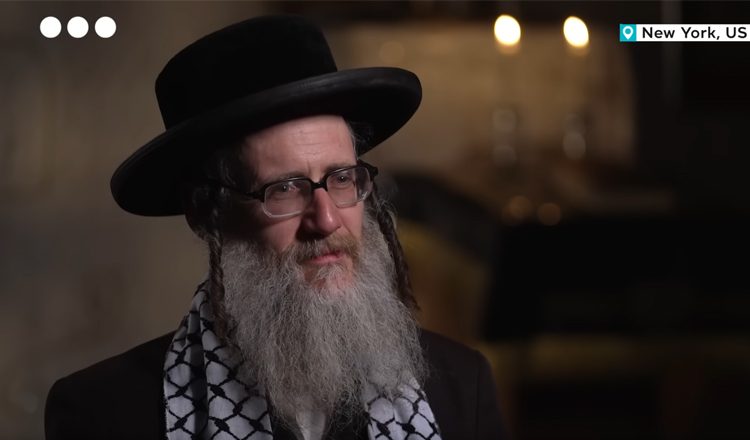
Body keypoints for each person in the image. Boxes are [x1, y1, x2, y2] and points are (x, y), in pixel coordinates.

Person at [45, 15, 506, 440]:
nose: (327, 220)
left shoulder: (461, 390)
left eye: (341, 179)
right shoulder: (103, 413)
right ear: (206, 213)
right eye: (284, 189)